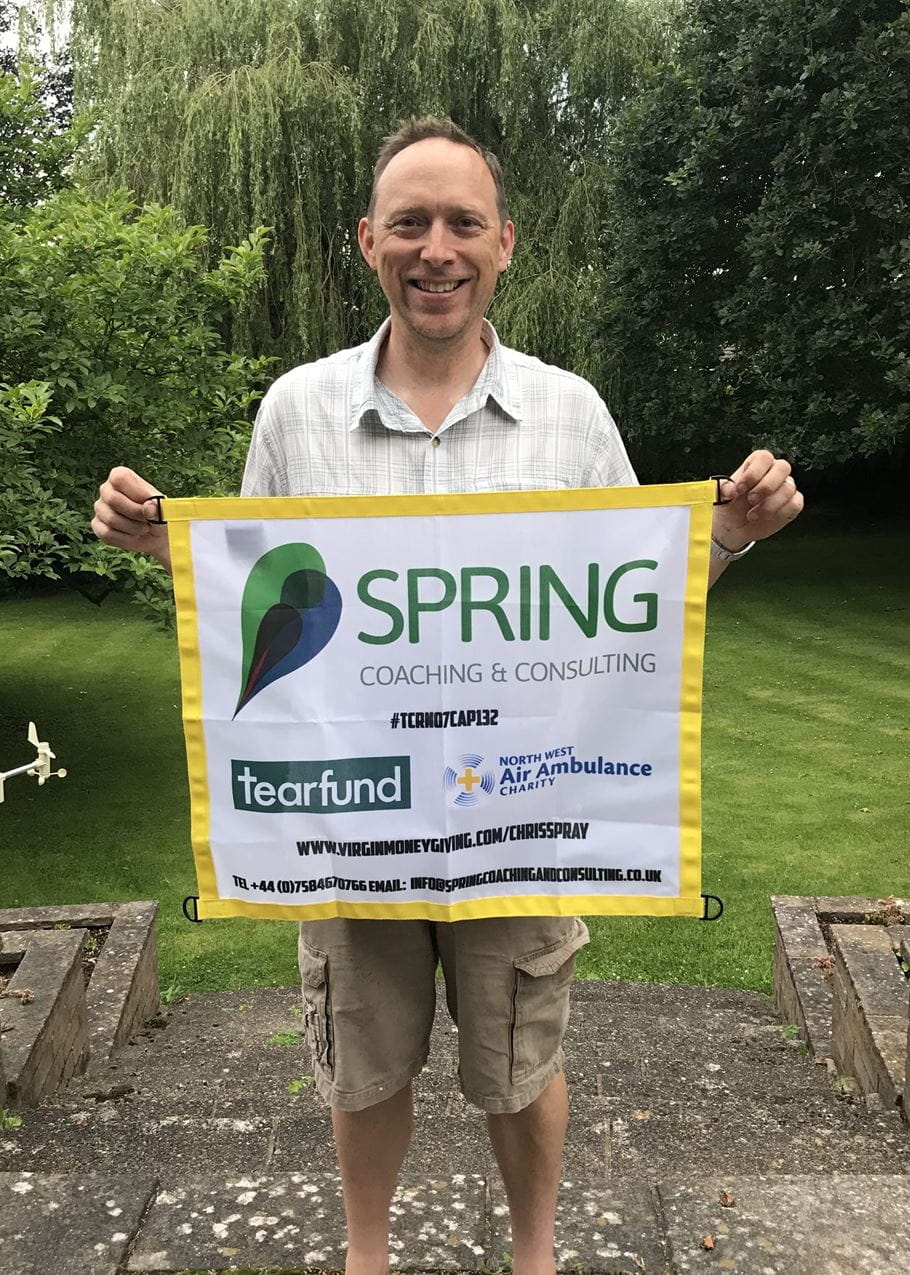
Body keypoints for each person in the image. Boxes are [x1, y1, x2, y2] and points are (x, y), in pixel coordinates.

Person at [93, 116, 803, 1275]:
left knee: (519, 1063)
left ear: (505, 243)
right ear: (367, 240)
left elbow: (632, 603)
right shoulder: (295, 410)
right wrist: (155, 543)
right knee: (362, 1063)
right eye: (410, 223)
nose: (437, 248)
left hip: (514, 818)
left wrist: (727, 534)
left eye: (462, 223)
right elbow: (257, 603)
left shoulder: (570, 413)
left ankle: (533, 1257)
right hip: (354, 819)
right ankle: (365, 1259)